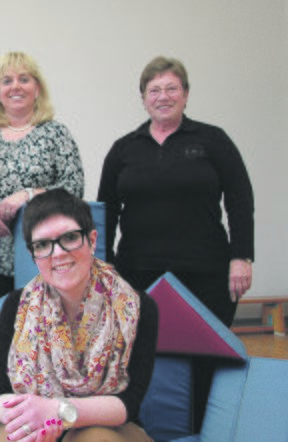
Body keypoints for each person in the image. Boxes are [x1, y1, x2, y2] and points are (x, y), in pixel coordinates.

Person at [97, 55, 254, 432]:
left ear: (185, 94)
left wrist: (242, 257)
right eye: (155, 90)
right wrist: (107, 267)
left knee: (204, 362)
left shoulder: (212, 140)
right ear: (143, 98)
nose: (163, 96)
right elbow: (104, 212)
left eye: (171, 88)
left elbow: (240, 199)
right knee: (139, 359)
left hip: (208, 274)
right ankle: (140, 432)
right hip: (139, 274)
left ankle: (204, 431)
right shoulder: (124, 149)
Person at [0, 188, 158, 442]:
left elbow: (128, 403)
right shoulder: (16, 305)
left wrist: (59, 411)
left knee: (95, 439)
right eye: (43, 244)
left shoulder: (136, 306)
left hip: (112, 427)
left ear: (92, 239)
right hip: (37, 422)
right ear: (33, 254)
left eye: (69, 238)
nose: (57, 253)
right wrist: (32, 417)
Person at [0, 51, 85, 317]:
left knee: (40, 345)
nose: (15, 86)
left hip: (44, 258)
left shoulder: (55, 134)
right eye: (7, 81)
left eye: (24, 79)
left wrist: (28, 194)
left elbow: (74, 189)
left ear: (37, 88)